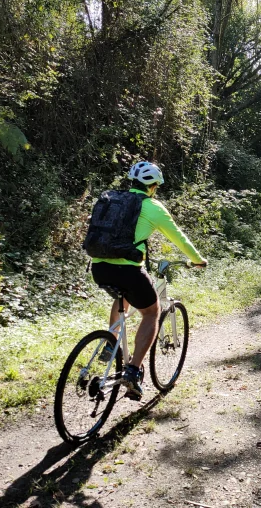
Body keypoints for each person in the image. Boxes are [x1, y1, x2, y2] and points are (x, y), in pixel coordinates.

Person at [90, 161, 207, 400]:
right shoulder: (152, 206)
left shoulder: (112, 199)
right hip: (128, 271)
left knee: (123, 296)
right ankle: (132, 372)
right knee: (152, 312)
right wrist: (197, 259)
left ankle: (111, 342)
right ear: (153, 186)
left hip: (99, 267)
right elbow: (179, 238)